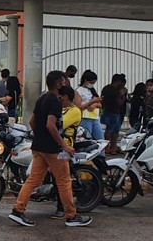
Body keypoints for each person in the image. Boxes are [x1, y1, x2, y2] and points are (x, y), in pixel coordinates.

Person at [8, 70, 92, 228]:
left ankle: (18, 210)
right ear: (59, 83)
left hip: (38, 147)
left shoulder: (42, 98)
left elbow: (33, 122)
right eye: (63, 80)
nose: (65, 82)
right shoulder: (54, 101)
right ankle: (71, 216)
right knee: (64, 181)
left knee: (33, 180)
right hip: (53, 150)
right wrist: (64, 145)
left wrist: (40, 136)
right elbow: (50, 125)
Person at [50, 84, 83, 219]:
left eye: (60, 96)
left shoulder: (74, 111)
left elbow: (60, 124)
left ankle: (62, 208)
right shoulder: (61, 109)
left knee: (60, 179)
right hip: (54, 146)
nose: (58, 98)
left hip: (65, 147)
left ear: (65, 97)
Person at [100, 74, 127, 155]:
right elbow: (120, 102)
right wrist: (123, 95)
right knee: (113, 131)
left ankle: (108, 148)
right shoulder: (115, 91)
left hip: (106, 111)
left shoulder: (105, 88)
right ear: (118, 81)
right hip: (114, 112)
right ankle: (111, 148)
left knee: (109, 130)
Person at [75, 70, 103, 140]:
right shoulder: (78, 91)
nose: (92, 84)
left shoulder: (92, 90)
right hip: (85, 118)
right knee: (87, 139)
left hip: (95, 118)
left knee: (100, 139)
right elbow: (78, 107)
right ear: (85, 80)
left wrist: (95, 104)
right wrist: (91, 103)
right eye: (91, 83)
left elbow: (100, 104)